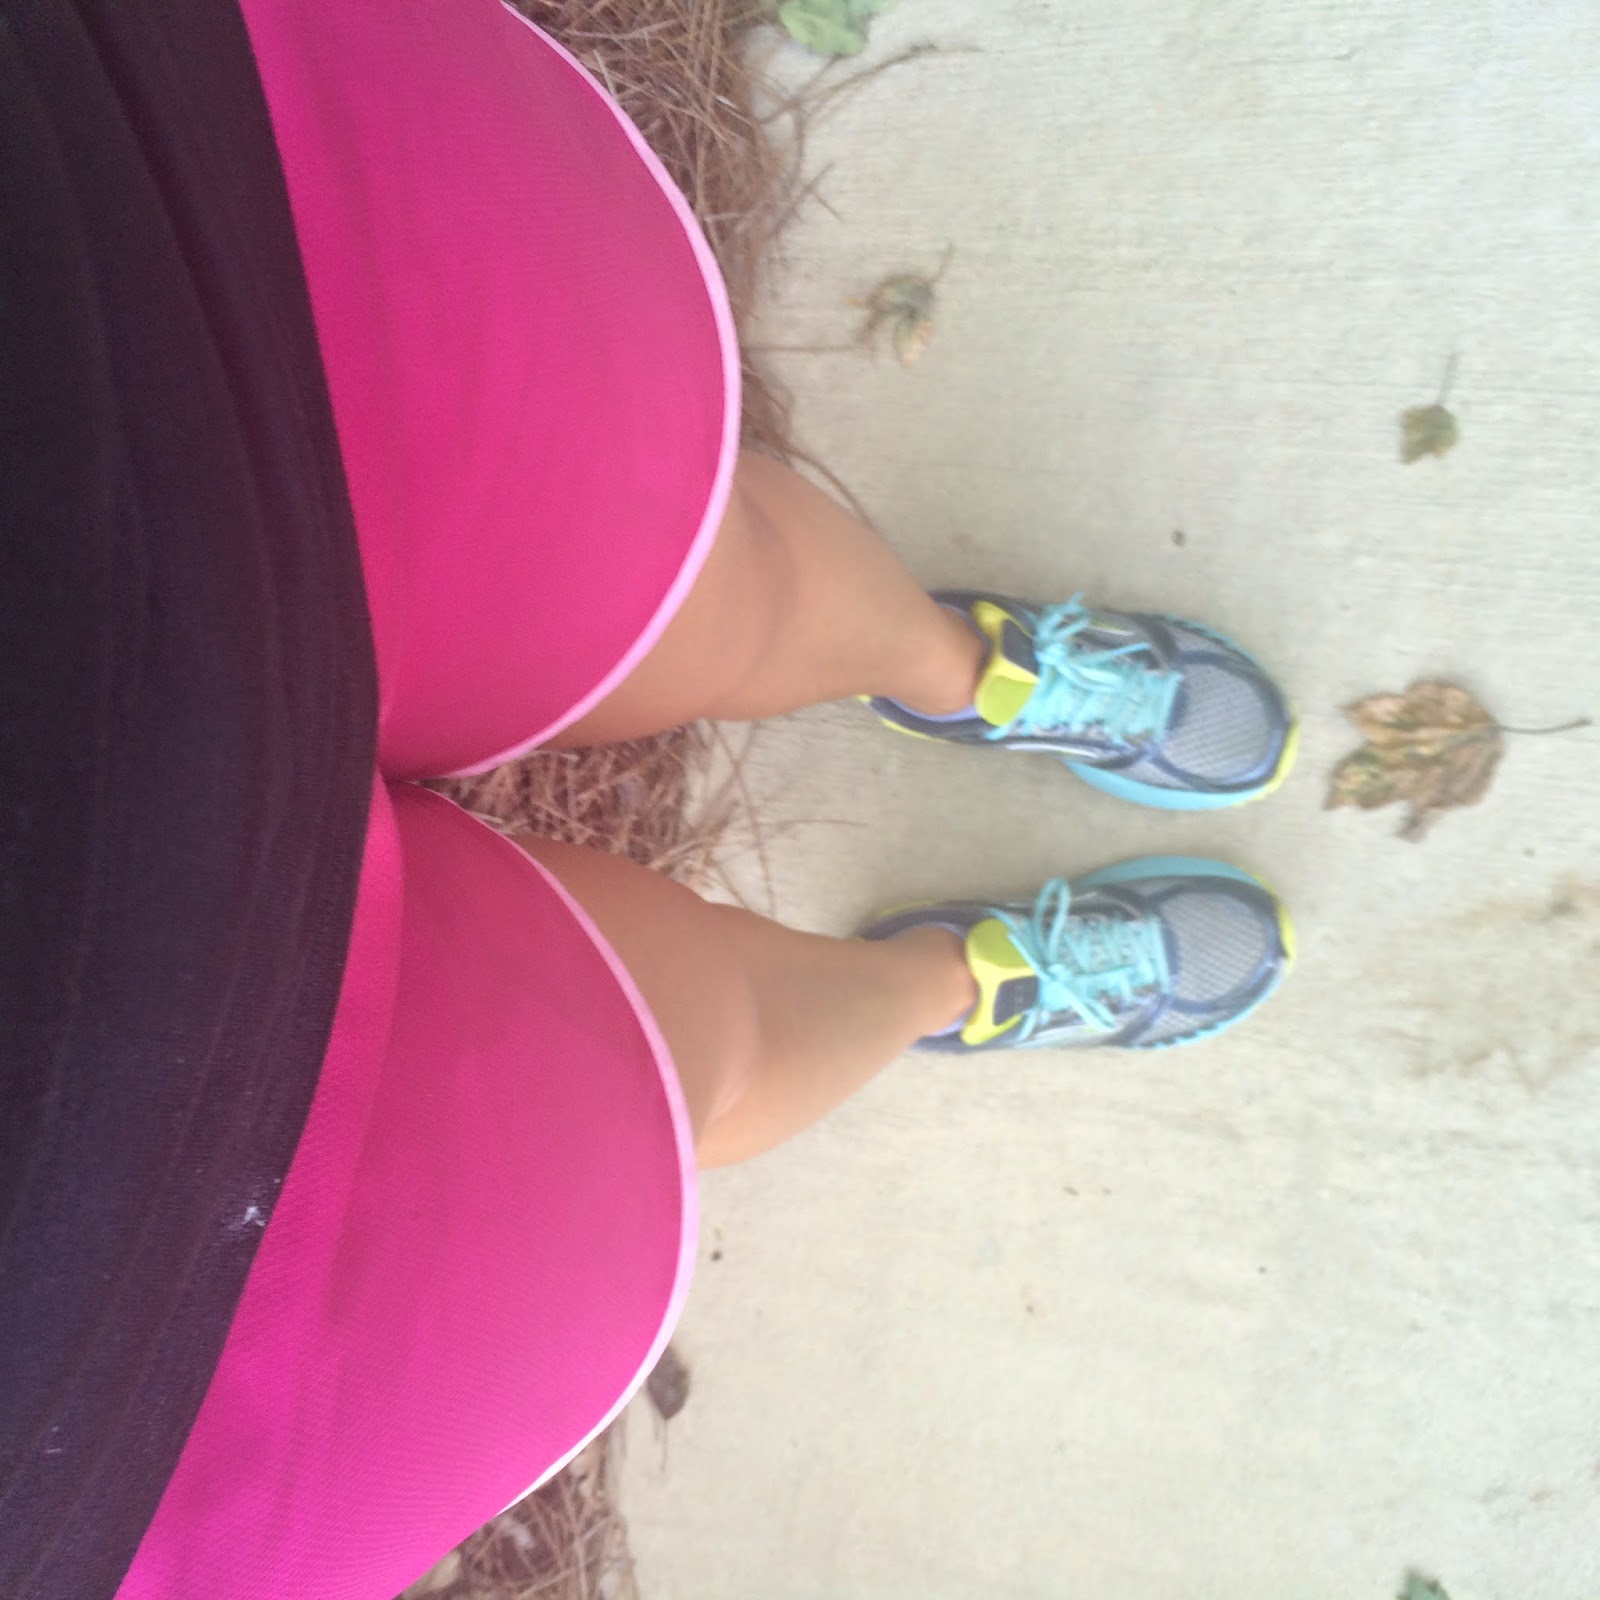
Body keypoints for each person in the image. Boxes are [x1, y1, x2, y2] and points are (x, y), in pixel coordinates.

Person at [0, 1, 1292, 1596]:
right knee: (690, 1055)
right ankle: (953, 976)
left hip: (120, 360)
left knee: (703, 569)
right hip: (116, 1315)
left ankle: (963, 666)